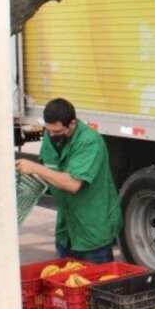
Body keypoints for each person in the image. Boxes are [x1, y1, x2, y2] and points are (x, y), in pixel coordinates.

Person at [15, 98, 123, 264]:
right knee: (64, 283)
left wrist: (35, 168)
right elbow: (49, 172)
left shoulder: (89, 141)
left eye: (57, 132)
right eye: (48, 130)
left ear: (72, 124)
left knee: (96, 283)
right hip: (66, 230)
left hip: (92, 230)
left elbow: (72, 184)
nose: (51, 135)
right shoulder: (51, 136)